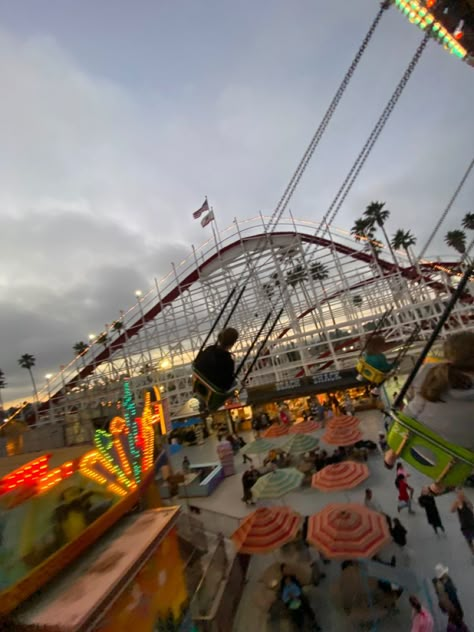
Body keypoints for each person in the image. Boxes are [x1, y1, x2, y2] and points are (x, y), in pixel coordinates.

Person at [386, 333, 474, 472]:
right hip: (453, 464)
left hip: (410, 444)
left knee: (411, 411)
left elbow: (410, 398)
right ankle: (439, 485)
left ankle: (392, 453)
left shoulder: (429, 370)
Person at [193, 327, 239, 391]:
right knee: (236, 383)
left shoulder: (209, 349)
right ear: (233, 343)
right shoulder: (229, 362)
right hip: (213, 391)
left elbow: (197, 363)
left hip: (199, 384)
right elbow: (227, 384)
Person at [450, 489, 474, 556]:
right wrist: (456, 504)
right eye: (459, 493)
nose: (461, 495)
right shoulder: (456, 502)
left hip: (472, 522)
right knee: (469, 540)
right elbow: (452, 510)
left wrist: (467, 502)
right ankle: (473, 552)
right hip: (464, 524)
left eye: (462, 493)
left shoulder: (467, 500)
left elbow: (471, 507)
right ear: (457, 494)